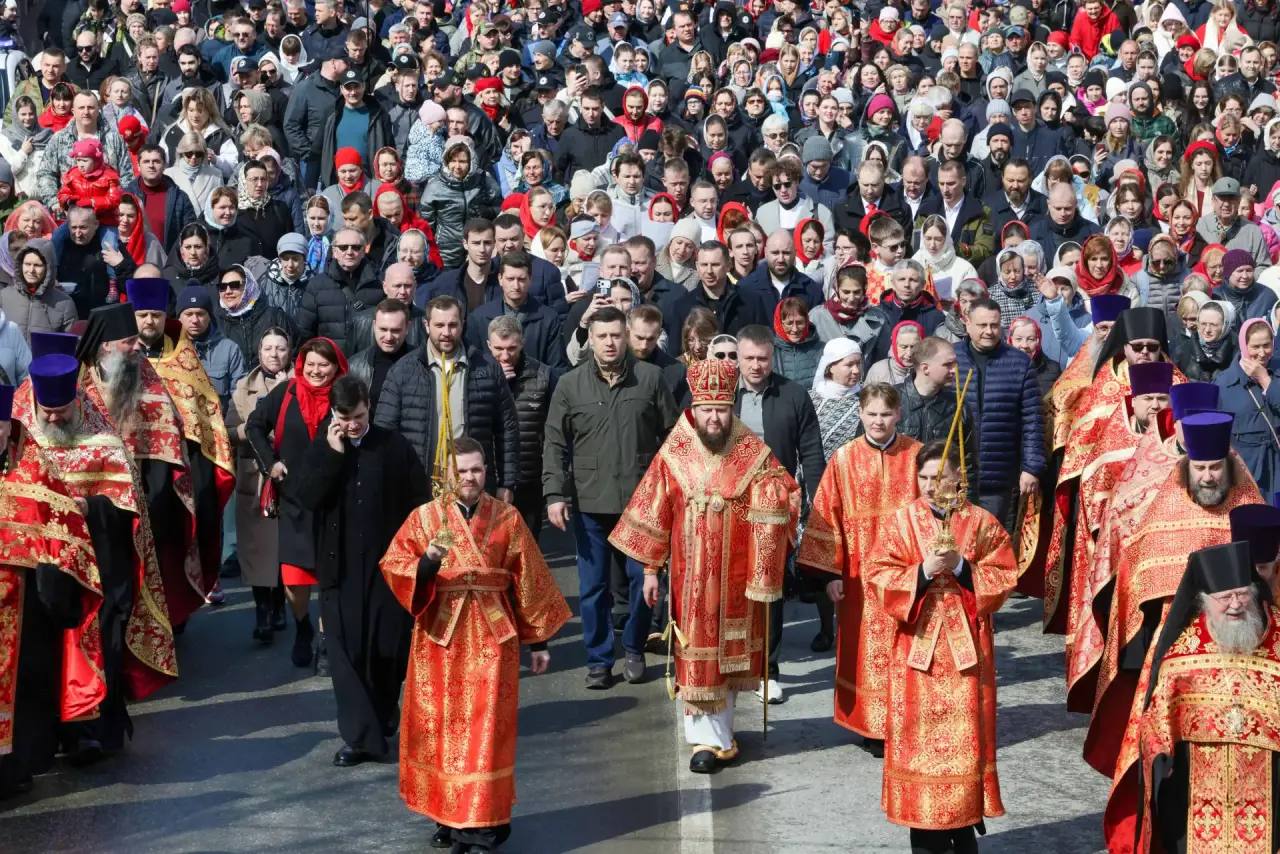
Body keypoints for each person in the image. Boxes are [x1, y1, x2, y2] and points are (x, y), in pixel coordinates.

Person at [380, 436, 570, 850]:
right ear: (448, 472)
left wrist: (539, 643)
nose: (470, 477)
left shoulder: (507, 518)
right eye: (462, 470)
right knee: (442, 733)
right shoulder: (426, 518)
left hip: (491, 639)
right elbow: (395, 565)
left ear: (486, 470)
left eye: (477, 470)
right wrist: (428, 562)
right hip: (439, 639)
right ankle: (448, 815)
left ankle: (482, 827)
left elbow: (530, 581)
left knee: (485, 735)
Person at [610, 357, 800, 772]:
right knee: (696, 653)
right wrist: (647, 570)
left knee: (729, 656)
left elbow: (788, 489)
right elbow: (653, 510)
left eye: (721, 410)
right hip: (690, 577)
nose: (713, 418)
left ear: (731, 408)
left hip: (736, 578)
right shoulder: (675, 450)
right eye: (706, 410)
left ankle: (721, 734)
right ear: (693, 409)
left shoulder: (752, 450)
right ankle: (706, 741)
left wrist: (772, 497)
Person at [11, 349, 176, 761]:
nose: (51, 419)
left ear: (77, 402)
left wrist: (91, 508)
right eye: (45, 411)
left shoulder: (104, 442)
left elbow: (128, 506)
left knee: (100, 644)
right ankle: (46, 738)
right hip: (42, 567)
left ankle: (93, 731)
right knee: (43, 655)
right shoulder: (21, 444)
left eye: (60, 411)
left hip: (98, 569)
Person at [1087, 412, 1263, 787]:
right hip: (1177, 653)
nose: (1209, 476)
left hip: (1241, 649)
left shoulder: (1248, 505)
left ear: (1229, 466)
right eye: (1200, 468)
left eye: (1216, 467)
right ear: (1187, 467)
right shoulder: (1165, 507)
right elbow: (1139, 584)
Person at [866, 440, 1019, 854]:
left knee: (965, 749)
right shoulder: (900, 522)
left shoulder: (981, 522)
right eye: (924, 478)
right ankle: (926, 840)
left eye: (940, 477)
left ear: (958, 478)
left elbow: (1005, 575)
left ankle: (964, 829)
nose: (932, 486)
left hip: (967, 656)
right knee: (918, 749)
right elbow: (876, 574)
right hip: (916, 656)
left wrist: (960, 567)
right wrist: (920, 572)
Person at [292, 375, 428, 766]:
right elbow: (307, 498)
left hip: (387, 567)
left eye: (359, 416)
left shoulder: (392, 445)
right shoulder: (325, 445)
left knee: (386, 649)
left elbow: (419, 499)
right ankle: (360, 737)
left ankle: (384, 714)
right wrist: (332, 453)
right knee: (346, 654)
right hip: (340, 568)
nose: (352, 424)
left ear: (369, 406)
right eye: (343, 417)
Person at [544, 306, 678, 689]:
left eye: (616, 335)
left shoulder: (650, 379)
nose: (609, 342)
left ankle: (634, 646)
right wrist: (555, 493)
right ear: (591, 338)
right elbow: (554, 441)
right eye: (602, 336)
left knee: (643, 582)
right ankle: (600, 659)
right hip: (589, 502)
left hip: (641, 503)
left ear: (627, 336)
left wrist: (669, 490)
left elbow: (672, 436)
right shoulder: (570, 385)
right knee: (593, 587)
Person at [1125, 540, 1280, 853]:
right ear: (1205, 600)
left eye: (1242, 595)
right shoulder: (1181, 649)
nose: (1236, 605)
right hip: (1193, 785)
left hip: (1269, 781)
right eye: (1225, 598)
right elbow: (1156, 722)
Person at [799, 382, 921, 756]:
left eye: (886, 414)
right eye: (872, 414)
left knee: (906, 647)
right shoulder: (844, 459)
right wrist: (830, 576)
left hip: (907, 573)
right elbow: (826, 518)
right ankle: (871, 726)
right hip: (858, 575)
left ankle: (905, 722)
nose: (879, 421)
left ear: (898, 414)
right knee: (863, 649)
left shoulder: (916, 456)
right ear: (860, 414)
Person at [0, 381, 104, 797]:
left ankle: (16, 765)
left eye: (0, 426)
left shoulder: (31, 461)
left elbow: (63, 519)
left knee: (25, 681)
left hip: (24, 600)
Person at [129, 278, 237, 608]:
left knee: (175, 539)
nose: (150, 321)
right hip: (136, 466)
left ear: (166, 317)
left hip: (179, 466)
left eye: (156, 316)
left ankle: (176, 609)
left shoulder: (182, 358)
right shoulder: (121, 357)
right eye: (143, 315)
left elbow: (203, 412)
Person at [735, 323, 827, 700]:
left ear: (773, 357)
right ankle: (734, 661)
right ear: (737, 357)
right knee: (733, 587)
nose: (756, 366)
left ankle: (768, 669)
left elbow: (811, 450)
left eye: (763, 359)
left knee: (770, 589)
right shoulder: (723, 395)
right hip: (730, 506)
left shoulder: (793, 395)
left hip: (775, 507)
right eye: (749, 359)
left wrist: (817, 500)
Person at [246, 337, 349, 671]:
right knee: (295, 580)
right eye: (312, 364)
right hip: (293, 501)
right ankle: (303, 627)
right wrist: (270, 463)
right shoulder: (286, 392)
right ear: (302, 365)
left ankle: (326, 640)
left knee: (331, 578)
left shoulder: (345, 395)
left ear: (336, 367)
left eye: (325, 364)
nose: (317, 371)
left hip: (335, 501)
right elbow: (254, 426)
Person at [375, 295, 520, 503]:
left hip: (471, 487)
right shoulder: (403, 371)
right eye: (439, 325)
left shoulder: (487, 369)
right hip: (418, 487)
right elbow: (385, 433)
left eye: (453, 325)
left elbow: (507, 429)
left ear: (463, 324)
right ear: (426, 325)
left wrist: (507, 483)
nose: (446, 332)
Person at [953, 298, 1045, 532]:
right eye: (982, 325)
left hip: (1000, 475)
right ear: (967, 324)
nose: (989, 331)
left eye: (994, 325)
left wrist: (1031, 467)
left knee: (994, 544)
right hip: (955, 476)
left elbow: (1032, 419)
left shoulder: (1019, 362)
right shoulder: (951, 359)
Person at [225, 326, 291, 643]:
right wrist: (255, 433)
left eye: (280, 348)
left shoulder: (299, 384)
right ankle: (262, 612)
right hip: (254, 475)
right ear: (259, 352)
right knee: (256, 550)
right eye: (268, 348)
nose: (274, 354)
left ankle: (280, 605)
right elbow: (229, 429)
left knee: (281, 550)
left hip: (287, 476)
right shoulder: (243, 387)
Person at [486, 315, 555, 538]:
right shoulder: (478, 374)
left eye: (511, 348)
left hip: (529, 476)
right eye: (498, 349)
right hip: (490, 476)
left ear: (522, 343)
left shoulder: (543, 375)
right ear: (488, 345)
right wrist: (497, 385)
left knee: (527, 547)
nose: (505, 356)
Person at [1216, 317, 1280, 499]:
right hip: (1247, 468)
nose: (1262, 353)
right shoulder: (1224, 383)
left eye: (1267, 345)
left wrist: (1265, 380)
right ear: (1244, 346)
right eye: (1255, 347)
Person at [808, 337, 863, 459]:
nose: (856, 370)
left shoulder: (866, 399)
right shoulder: (810, 399)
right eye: (849, 365)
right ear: (831, 367)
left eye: (858, 363)